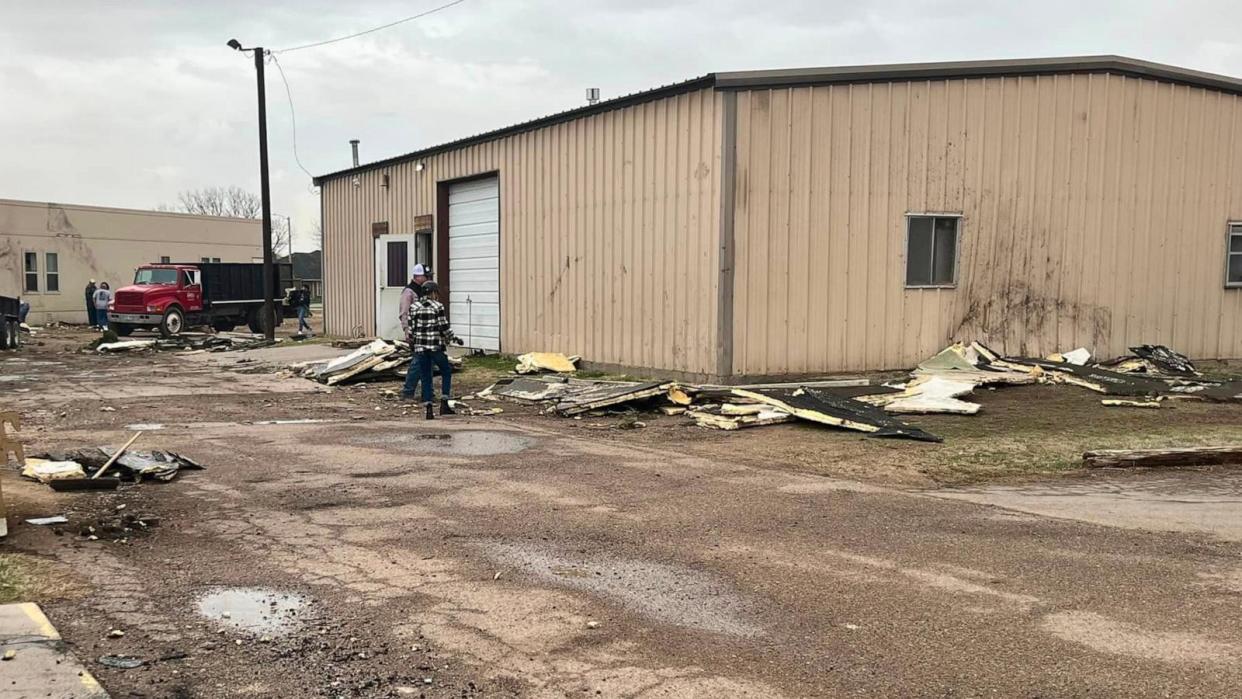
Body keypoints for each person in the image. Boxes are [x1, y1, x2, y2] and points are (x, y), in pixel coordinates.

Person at [406, 281, 462, 419]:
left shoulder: (414, 307)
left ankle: (429, 409)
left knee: (426, 376)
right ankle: (444, 403)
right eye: (436, 293)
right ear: (433, 293)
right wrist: (454, 338)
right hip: (435, 347)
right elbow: (444, 327)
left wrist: (415, 341)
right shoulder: (438, 306)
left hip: (420, 348)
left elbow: (411, 329)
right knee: (446, 371)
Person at [398, 264, 431, 399]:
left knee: (426, 362)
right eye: (426, 276)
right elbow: (404, 313)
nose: (428, 278)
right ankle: (408, 391)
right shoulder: (409, 292)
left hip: (427, 331)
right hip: (415, 332)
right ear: (418, 276)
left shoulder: (424, 290)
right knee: (418, 362)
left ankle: (426, 393)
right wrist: (407, 331)